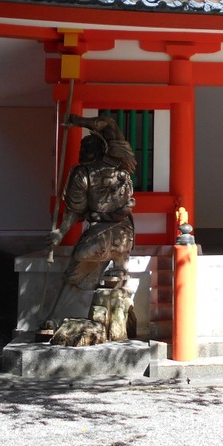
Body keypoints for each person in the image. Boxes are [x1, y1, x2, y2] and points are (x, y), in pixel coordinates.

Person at [43, 115, 136, 322]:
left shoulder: (115, 162)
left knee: (77, 269)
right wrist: (60, 233)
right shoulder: (112, 165)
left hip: (111, 233)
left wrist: (77, 121)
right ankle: (56, 316)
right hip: (118, 234)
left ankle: (55, 316)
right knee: (76, 272)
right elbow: (75, 209)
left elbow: (75, 210)